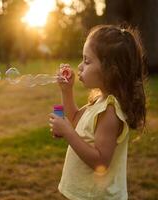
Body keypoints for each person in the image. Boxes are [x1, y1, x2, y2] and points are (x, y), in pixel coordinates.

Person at [49, 24, 147, 200]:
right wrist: (66, 90)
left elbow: (101, 161)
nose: (80, 67)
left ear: (110, 70)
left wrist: (68, 133)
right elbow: (74, 120)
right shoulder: (100, 101)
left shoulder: (110, 110)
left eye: (87, 61)